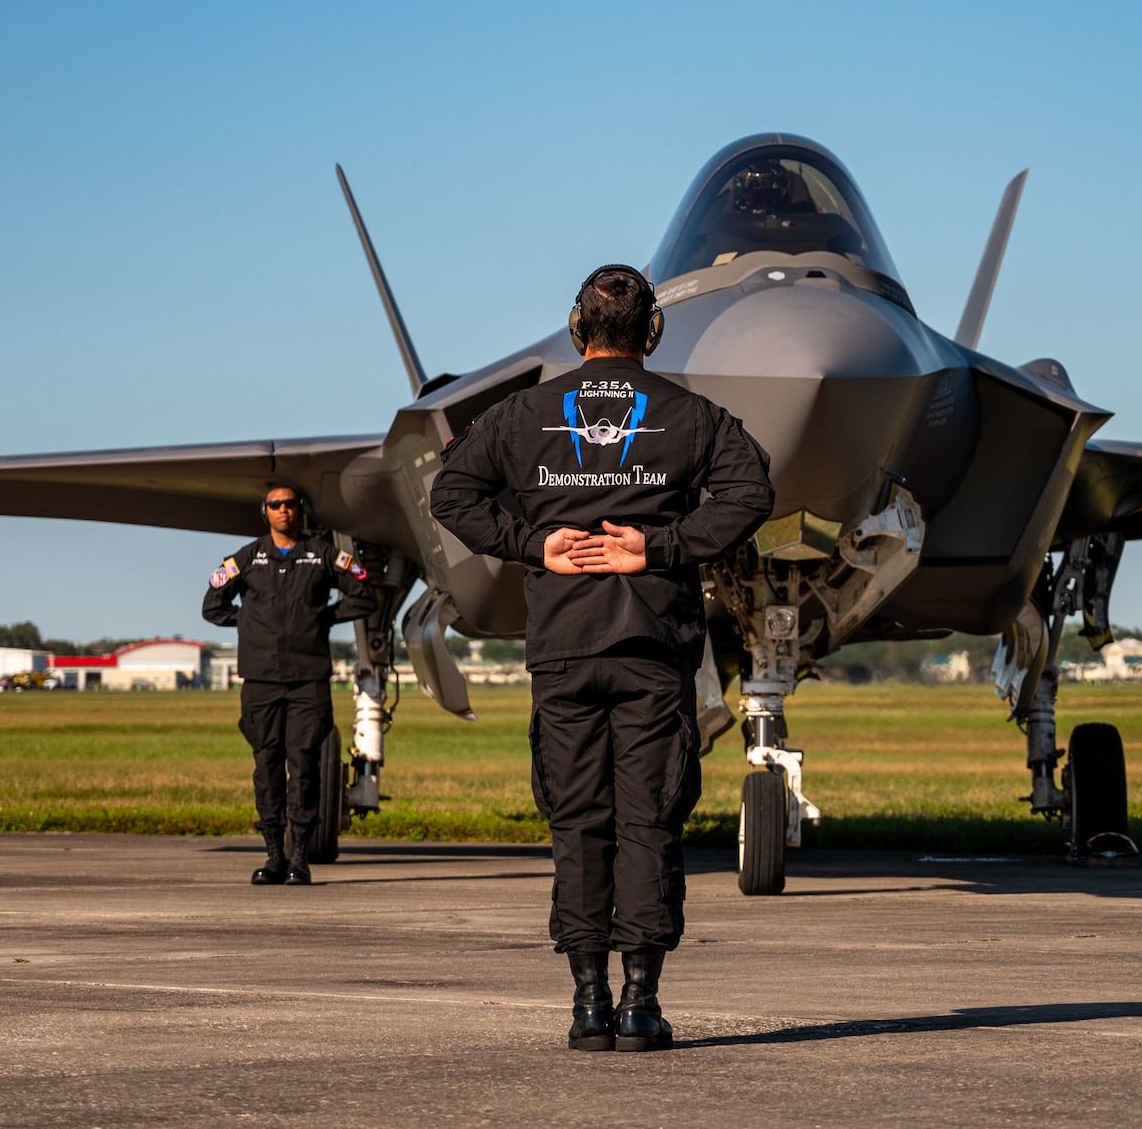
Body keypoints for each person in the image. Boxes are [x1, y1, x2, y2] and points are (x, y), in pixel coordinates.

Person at [430, 264, 773, 1052]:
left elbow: (451, 491)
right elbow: (751, 490)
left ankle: (588, 1003)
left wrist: (533, 545)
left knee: (578, 821)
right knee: (649, 819)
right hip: (652, 648)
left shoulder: (523, 414)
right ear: (653, 331)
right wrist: (660, 546)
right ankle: (642, 1004)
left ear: (577, 328)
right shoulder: (691, 416)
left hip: (563, 653)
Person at [202, 480, 374, 886]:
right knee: (266, 766)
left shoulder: (323, 555)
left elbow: (363, 594)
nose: (283, 510)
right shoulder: (246, 558)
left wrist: (323, 618)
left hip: (307, 681)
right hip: (260, 681)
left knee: (305, 766)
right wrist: (247, 623)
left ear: (300, 510)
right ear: (266, 511)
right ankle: (273, 857)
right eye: (275, 504)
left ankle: (300, 857)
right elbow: (213, 605)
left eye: (290, 504)